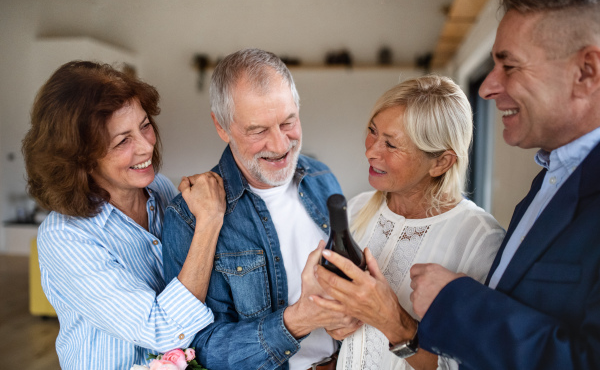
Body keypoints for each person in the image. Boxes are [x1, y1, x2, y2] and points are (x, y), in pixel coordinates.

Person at [407, 0, 600, 369]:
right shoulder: (549, 180)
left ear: (586, 72)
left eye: (509, 66)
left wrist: (455, 302)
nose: (487, 88)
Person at [162, 48, 360, 370]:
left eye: (288, 122)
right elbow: (202, 346)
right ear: (222, 127)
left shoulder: (323, 178)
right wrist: (296, 321)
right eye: (258, 131)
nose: (281, 145)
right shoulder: (187, 218)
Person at [22, 61, 226, 370]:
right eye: (122, 141)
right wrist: (209, 222)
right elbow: (162, 329)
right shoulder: (64, 236)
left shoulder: (158, 188)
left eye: (144, 126)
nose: (145, 147)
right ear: (81, 157)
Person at [311, 75, 505, 370]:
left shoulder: (480, 238)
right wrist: (335, 325)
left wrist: (394, 322)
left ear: (441, 162)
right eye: (372, 132)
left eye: (390, 144)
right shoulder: (359, 207)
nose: (371, 151)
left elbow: (479, 364)